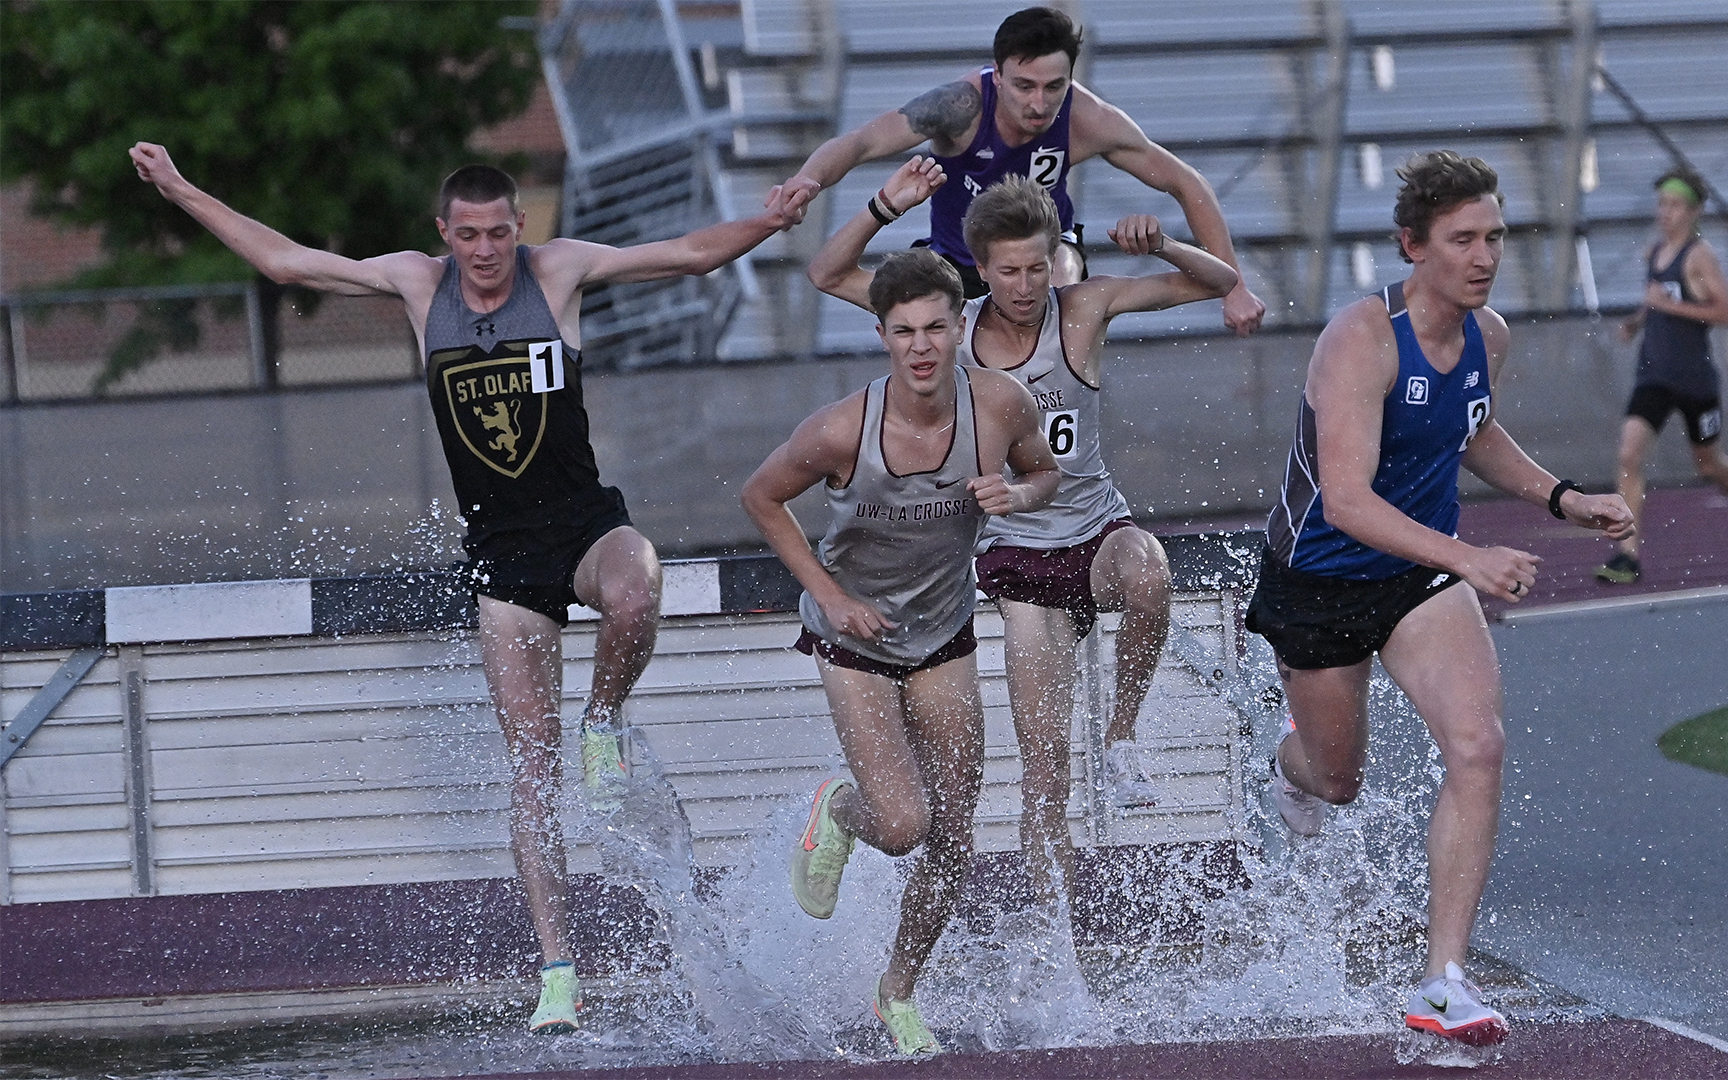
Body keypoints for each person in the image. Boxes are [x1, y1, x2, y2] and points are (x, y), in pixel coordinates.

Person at [129, 142, 812, 1034]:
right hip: (502, 558)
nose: (486, 252)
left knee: (639, 588)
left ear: (519, 228)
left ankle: (604, 720)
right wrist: (182, 189)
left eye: (499, 233)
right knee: (531, 771)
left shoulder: (557, 271)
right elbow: (286, 261)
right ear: (443, 235)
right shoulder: (418, 287)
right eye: (469, 237)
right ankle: (558, 972)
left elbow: (685, 254)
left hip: (583, 529)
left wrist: (772, 217)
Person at [1241, 151, 1634, 1045]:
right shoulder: (1360, 340)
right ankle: (1284, 766)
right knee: (1337, 782)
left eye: (1494, 235)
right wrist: (1472, 553)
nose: (1483, 255)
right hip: (1321, 578)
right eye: (1462, 239)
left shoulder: (1489, 335)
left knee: (1479, 743)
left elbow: (1475, 429)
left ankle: (1443, 979)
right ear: (1414, 246)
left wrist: (1563, 499)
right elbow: (1344, 499)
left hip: (1419, 578)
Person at [808, 162, 1237, 899]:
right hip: (1017, 564)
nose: (1027, 286)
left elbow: (1219, 282)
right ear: (981, 270)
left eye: (1039, 267)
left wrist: (1163, 241)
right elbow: (827, 272)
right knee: (1045, 772)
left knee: (1150, 569)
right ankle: (1054, 947)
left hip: (1096, 534)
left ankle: (1123, 737)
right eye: (1009, 272)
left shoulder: (1084, 308)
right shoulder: (952, 330)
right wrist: (884, 205)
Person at [740, 250, 1059, 1057]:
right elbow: (761, 496)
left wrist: (1016, 495)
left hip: (943, 631)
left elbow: (1046, 474)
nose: (922, 348)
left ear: (961, 329)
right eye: (904, 332)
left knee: (954, 834)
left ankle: (897, 992)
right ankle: (840, 811)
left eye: (936, 329)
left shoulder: (1002, 404)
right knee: (903, 824)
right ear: (882, 337)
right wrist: (833, 594)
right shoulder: (843, 428)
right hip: (855, 638)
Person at [767, 5, 1268, 336]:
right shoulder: (959, 108)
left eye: (1054, 86)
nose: (1039, 103)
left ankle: (1056, 402)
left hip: (1046, 253)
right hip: (958, 260)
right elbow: (860, 142)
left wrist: (1238, 284)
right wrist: (806, 181)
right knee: (918, 328)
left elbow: (1187, 182)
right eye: (1024, 86)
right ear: (997, 74)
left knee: (1060, 274)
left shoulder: (1088, 119)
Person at [1596, 167, 1728, 584]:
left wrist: (1668, 308)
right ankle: (1627, 556)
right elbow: (1657, 299)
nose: (1665, 212)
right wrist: (1637, 321)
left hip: (1694, 381)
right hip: (1653, 376)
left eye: (1674, 205)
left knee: (1708, 465)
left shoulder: (1699, 256)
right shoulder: (1654, 253)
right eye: (1662, 204)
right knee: (1629, 455)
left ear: (1694, 212)